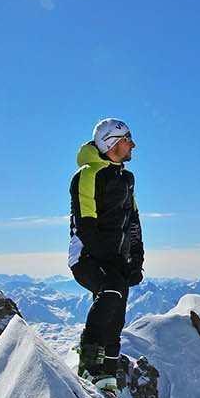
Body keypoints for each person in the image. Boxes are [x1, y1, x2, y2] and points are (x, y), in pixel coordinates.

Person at [69, 117, 144, 384]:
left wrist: (136, 259)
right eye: (127, 140)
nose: (132, 145)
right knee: (111, 290)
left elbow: (132, 220)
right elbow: (85, 224)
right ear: (112, 143)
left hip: (116, 260)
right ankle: (88, 363)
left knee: (118, 308)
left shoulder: (127, 178)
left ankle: (107, 375)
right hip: (87, 257)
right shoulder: (87, 175)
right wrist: (110, 260)